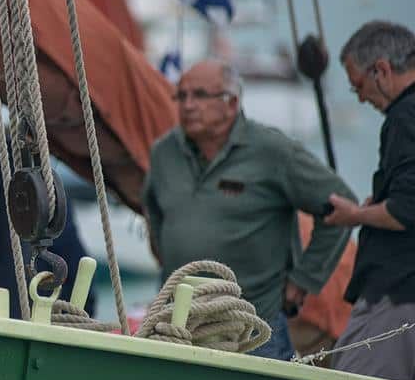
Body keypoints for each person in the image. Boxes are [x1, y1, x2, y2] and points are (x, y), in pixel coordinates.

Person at [142, 60, 356, 360]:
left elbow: (340, 208)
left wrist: (304, 280)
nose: (188, 105)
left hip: (255, 328)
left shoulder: (273, 151)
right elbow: (152, 209)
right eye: (181, 96)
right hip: (177, 323)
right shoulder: (164, 152)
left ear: (231, 102)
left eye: (200, 95)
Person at [324, 21, 415, 380]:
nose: (360, 98)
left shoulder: (404, 116)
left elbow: (406, 208)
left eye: (358, 85)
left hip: (398, 293)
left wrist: (355, 214)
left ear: (381, 70)